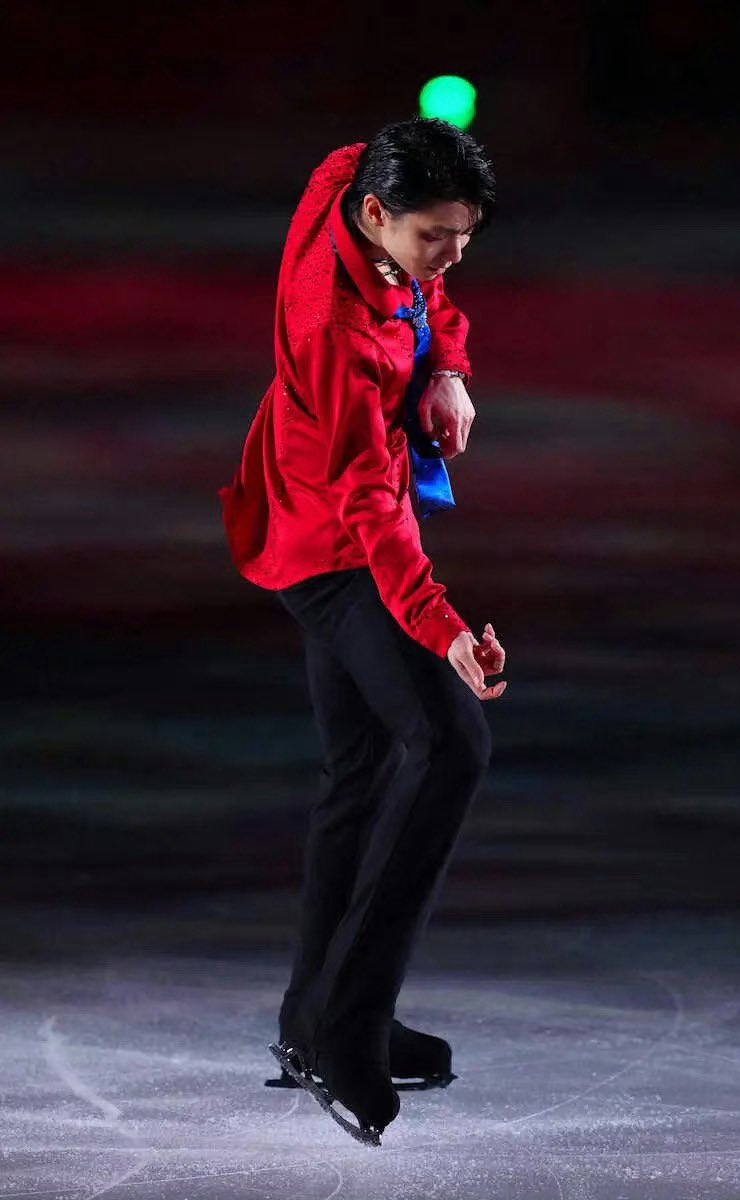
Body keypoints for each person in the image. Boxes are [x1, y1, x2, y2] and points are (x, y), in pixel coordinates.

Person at [217, 117, 507, 1143]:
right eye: (436, 237)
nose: (450, 256)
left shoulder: (351, 186)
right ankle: (347, 1030)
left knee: (364, 765)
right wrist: (446, 634)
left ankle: (313, 1021)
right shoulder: (335, 336)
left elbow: (420, 281)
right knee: (449, 743)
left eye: (465, 236)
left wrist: (447, 366)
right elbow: (371, 515)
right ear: (380, 219)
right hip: (331, 543)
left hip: (323, 509)